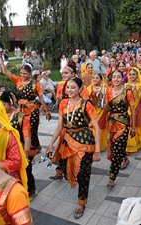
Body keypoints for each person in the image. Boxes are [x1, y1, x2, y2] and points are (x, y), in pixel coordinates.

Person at [46, 77, 101, 219]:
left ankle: (81, 202)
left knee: (83, 173)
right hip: (67, 141)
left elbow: (96, 126)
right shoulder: (63, 103)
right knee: (66, 169)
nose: (69, 90)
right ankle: (71, 178)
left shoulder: (86, 104)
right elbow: (60, 125)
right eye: (68, 87)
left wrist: (97, 149)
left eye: (73, 87)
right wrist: (51, 144)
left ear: (80, 89)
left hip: (84, 142)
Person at [0, 59, 52, 156]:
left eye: (25, 73)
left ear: (30, 74)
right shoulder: (18, 80)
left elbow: (41, 98)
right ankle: (23, 148)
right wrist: (2, 61)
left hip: (32, 110)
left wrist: (47, 111)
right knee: (22, 129)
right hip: (21, 109)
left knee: (32, 130)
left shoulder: (34, 84)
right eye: (21, 73)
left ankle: (32, 150)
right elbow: (6, 72)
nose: (22, 75)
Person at [0, 91, 36, 200]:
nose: (2, 107)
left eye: (4, 105)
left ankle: (31, 190)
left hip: (20, 148)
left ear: (10, 103)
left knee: (27, 171)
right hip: (5, 150)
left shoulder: (21, 117)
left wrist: (26, 153)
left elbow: (27, 136)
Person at [105, 70, 136, 187]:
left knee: (117, 151)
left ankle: (112, 177)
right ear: (111, 79)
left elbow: (133, 110)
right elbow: (106, 109)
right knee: (115, 146)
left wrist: (133, 127)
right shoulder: (107, 91)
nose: (116, 79)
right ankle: (125, 158)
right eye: (114, 77)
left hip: (123, 124)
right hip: (111, 123)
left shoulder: (127, 92)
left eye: (119, 77)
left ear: (122, 79)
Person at [87, 73, 108, 152]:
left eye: (97, 78)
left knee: (100, 127)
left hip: (101, 111)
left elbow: (107, 100)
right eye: (94, 78)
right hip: (91, 111)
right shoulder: (89, 88)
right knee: (91, 127)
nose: (95, 79)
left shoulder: (104, 89)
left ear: (101, 79)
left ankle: (100, 146)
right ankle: (92, 145)